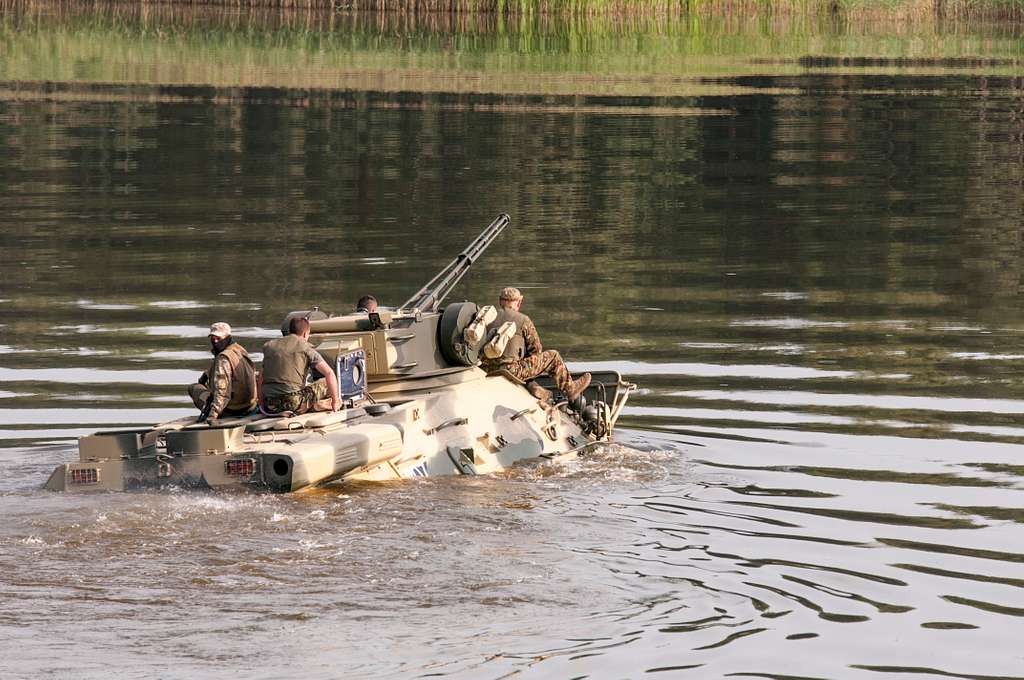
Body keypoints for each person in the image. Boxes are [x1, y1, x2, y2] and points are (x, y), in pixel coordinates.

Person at [478, 287, 591, 401]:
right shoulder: (523, 320)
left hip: (485, 370)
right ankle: (570, 389)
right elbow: (536, 351)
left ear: (500, 301)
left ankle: (533, 387)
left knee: (525, 362)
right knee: (552, 356)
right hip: (511, 371)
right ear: (519, 302)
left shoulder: (486, 318)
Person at [258, 317, 341, 415]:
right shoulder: (305, 347)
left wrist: (261, 404)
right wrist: (335, 402)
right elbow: (329, 373)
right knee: (326, 382)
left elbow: (261, 378)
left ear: (290, 330)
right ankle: (325, 404)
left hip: (270, 405)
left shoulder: (270, 346)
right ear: (306, 333)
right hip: (293, 404)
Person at [187, 322, 257, 422]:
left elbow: (222, 392)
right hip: (249, 405)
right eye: (212, 338)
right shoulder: (239, 350)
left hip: (232, 409)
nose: (215, 341)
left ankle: (213, 410)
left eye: (218, 338)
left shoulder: (223, 358)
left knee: (194, 388)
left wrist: (212, 415)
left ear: (228, 337)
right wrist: (207, 374)